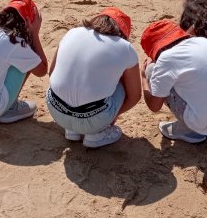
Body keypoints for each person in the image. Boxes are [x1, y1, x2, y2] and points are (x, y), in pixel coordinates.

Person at [46, 8, 140, 148]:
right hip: (94, 119)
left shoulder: (72, 32)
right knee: (122, 84)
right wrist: (112, 116)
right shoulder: (125, 48)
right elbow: (135, 96)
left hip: (55, 110)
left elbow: (51, 72)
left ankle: (72, 130)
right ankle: (96, 134)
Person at [140, 20, 207, 144]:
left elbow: (154, 106)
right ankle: (205, 123)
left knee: (152, 70)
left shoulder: (166, 58)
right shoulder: (202, 41)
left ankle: (189, 130)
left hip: (202, 124)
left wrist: (144, 78)